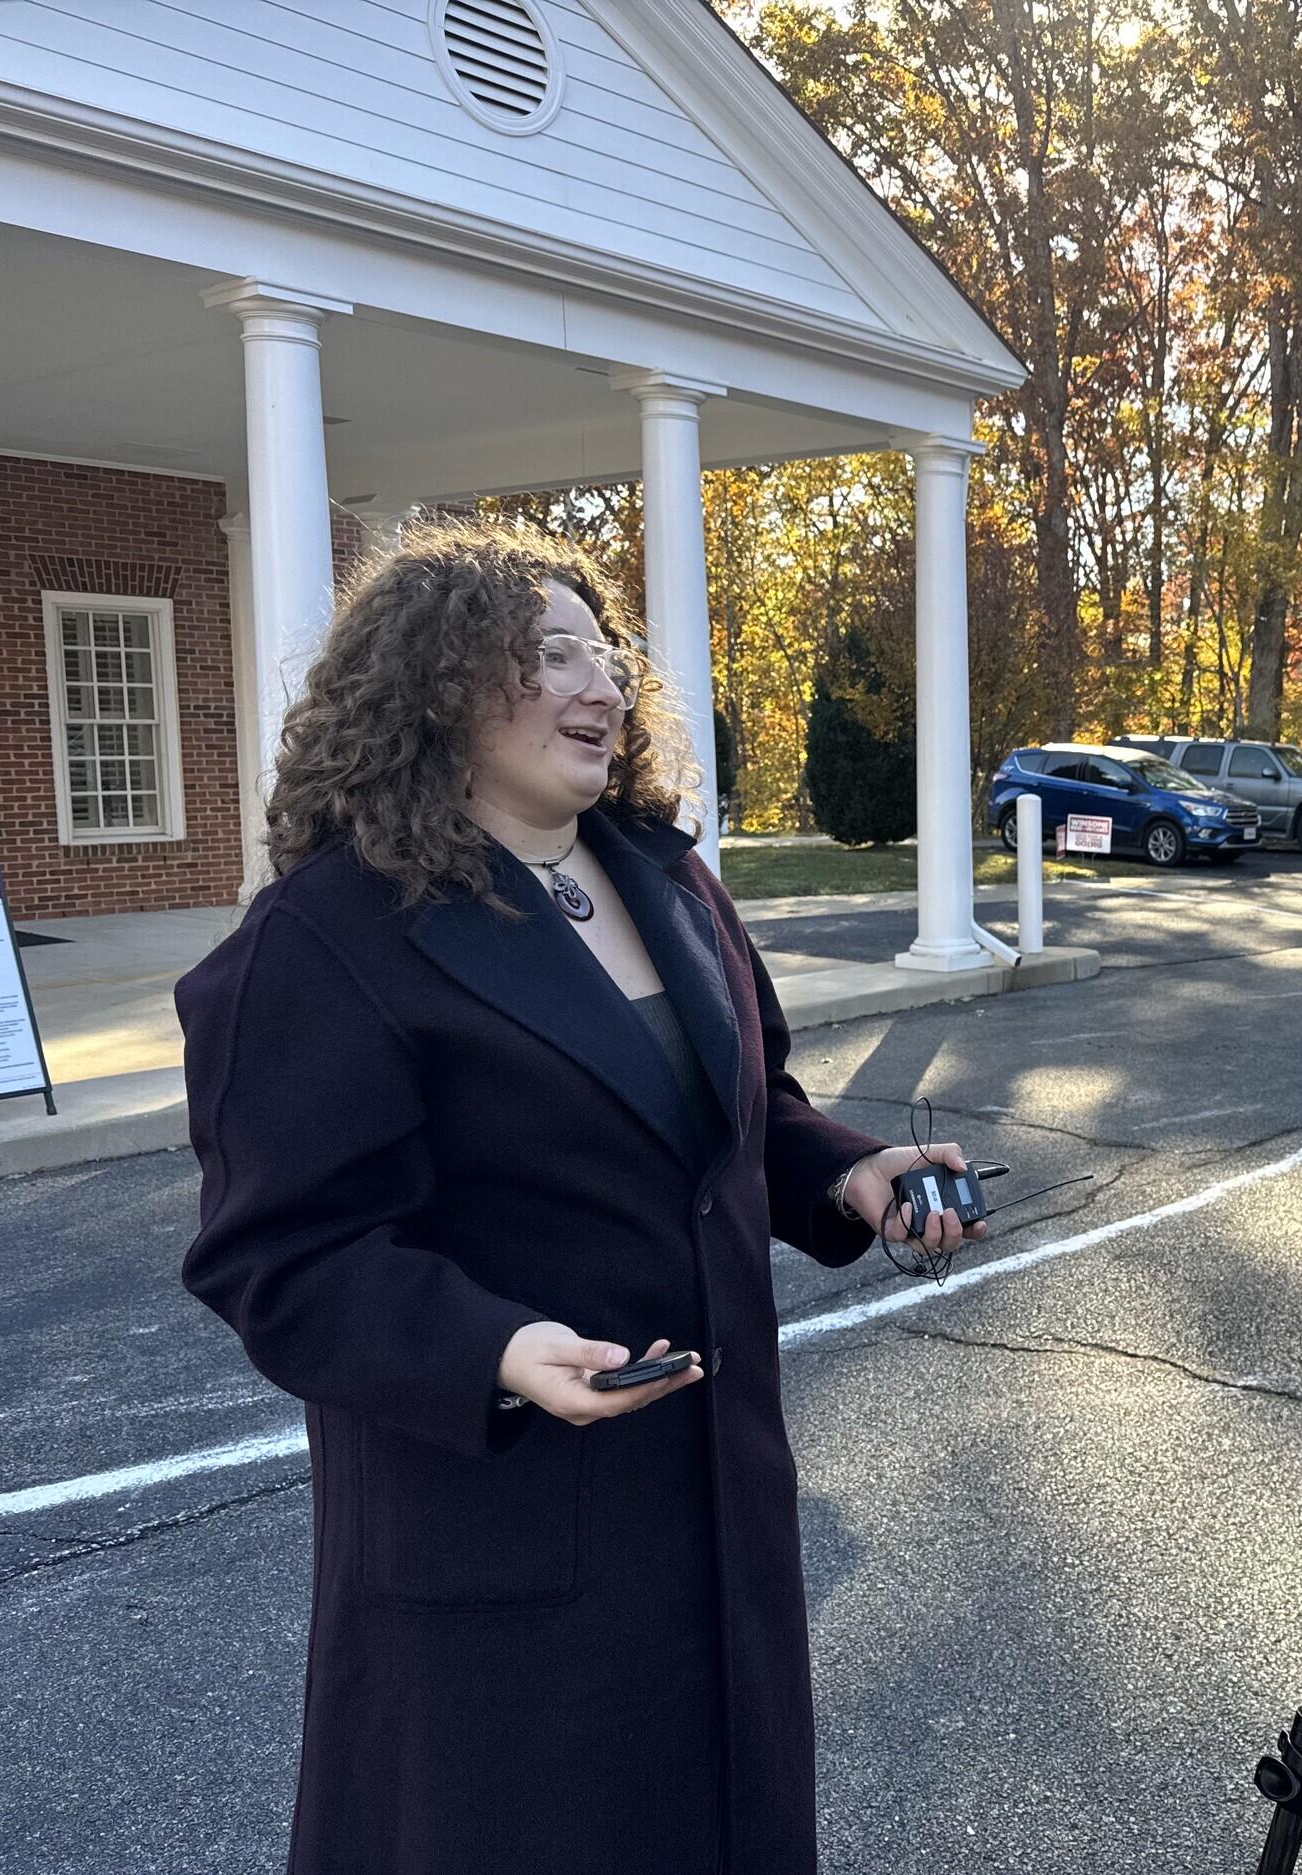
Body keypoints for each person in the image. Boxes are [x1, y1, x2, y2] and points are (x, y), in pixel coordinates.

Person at [177, 522, 982, 1874]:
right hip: (502, 1554)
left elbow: (738, 1116)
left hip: (715, 1512)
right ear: (429, 684)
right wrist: (491, 1348)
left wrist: (845, 1171)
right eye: (549, 654)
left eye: (605, 653)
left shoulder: (661, 876)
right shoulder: (324, 940)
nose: (600, 685)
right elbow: (286, 1258)